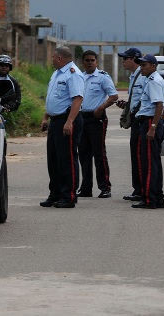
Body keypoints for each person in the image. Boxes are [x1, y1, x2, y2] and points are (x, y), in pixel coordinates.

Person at [40, 46, 84, 208]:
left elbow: (77, 99)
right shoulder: (57, 73)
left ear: (59, 58)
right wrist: (46, 117)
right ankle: (55, 193)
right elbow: (54, 98)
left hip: (67, 120)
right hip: (55, 120)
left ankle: (68, 196)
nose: (51, 60)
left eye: (53, 57)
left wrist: (69, 122)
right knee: (54, 159)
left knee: (67, 160)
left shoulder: (73, 74)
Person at [77, 50, 118, 199]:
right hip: (82, 118)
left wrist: (102, 107)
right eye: (87, 60)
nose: (89, 62)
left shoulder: (102, 77)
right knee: (84, 154)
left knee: (99, 154)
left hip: (96, 118)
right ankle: (86, 187)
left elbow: (114, 96)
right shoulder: (79, 77)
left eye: (92, 60)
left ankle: (105, 187)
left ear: (96, 62)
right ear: (83, 62)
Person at [131, 54, 164, 209]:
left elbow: (159, 105)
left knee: (148, 164)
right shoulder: (153, 80)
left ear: (153, 65)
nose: (141, 68)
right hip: (151, 122)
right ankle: (157, 196)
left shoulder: (153, 81)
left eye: (144, 65)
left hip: (149, 123)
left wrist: (152, 127)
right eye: (141, 65)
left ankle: (149, 199)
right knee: (154, 163)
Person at [116, 47, 144, 202]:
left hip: (141, 120)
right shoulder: (134, 76)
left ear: (133, 59)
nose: (123, 62)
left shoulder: (143, 75)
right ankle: (137, 188)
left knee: (140, 155)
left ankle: (142, 189)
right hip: (135, 119)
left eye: (125, 58)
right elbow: (136, 99)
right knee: (135, 154)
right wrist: (127, 105)